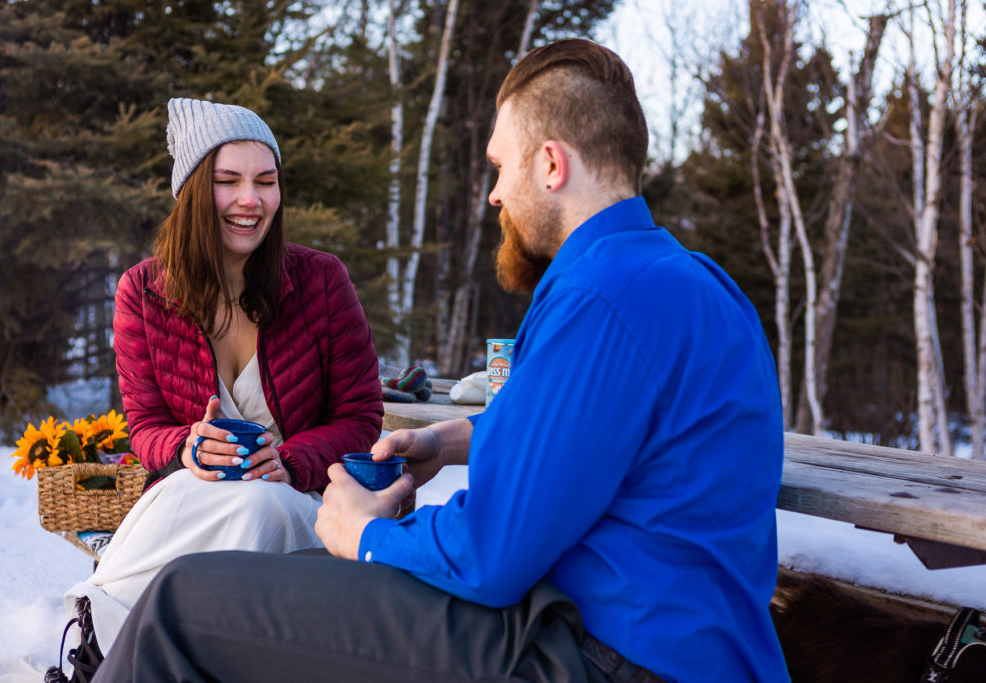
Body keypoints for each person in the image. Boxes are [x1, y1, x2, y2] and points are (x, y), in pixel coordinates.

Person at [94, 40, 789, 682]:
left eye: (499, 166)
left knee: (181, 604)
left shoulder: (598, 298)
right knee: (287, 574)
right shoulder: (699, 286)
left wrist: (363, 533)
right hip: (692, 644)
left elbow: (490, 554)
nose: (494, 194)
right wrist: (451, 438)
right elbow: (602, 437)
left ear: (550, 164)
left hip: (603, 653)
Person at [63, 97, 383, 656]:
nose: (250, 200)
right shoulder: (142, 293)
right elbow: (145, 426)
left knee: (257, 503)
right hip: (193, 501)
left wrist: (290, 460)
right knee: (200, 490)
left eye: (266, 180)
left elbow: (361, 416)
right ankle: (118, 636)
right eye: (227, 180)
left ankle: (111, 639)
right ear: (191, 191)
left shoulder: (322, 281)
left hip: (294, 504)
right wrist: (187, 445)